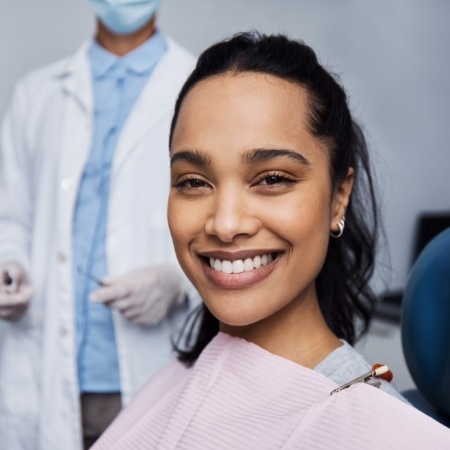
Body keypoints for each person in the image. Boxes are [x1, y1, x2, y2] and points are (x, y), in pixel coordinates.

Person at [91, 31, 450, 449]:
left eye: (273, 179)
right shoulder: (171, 381)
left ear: (338, 196)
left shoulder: (385, 434)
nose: (225, 225)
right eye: (193, 181)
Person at [0, 1, 195, 449]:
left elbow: (222, 218)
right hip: (47, 371)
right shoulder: (38, 93)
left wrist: (177, 281)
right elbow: (12, 217)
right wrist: (10, 267)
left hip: (151, 374)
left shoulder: (198, 86)